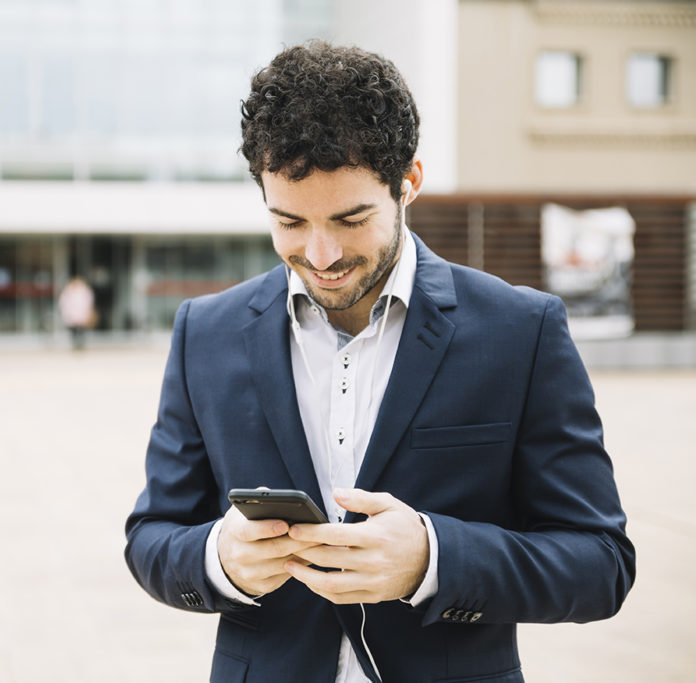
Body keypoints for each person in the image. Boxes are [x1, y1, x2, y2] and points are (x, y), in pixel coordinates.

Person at [125, 41, 634, 683]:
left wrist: (433, 559)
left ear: (408, 183)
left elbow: (600, 563)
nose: (321, 253)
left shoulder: (520, 331)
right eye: (288, 222)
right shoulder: (207, 332)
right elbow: (151, 538)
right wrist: (218, 559)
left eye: (352, 218)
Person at [58, 275, 95, 350]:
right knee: (74, 329)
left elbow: (89, 301)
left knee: (81, 329)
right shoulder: (68, 290)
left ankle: (80, 343)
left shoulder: (84, 290)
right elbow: (63, 302)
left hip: (81, 313)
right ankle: (75, 343)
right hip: (72, 314)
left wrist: (87, 311)